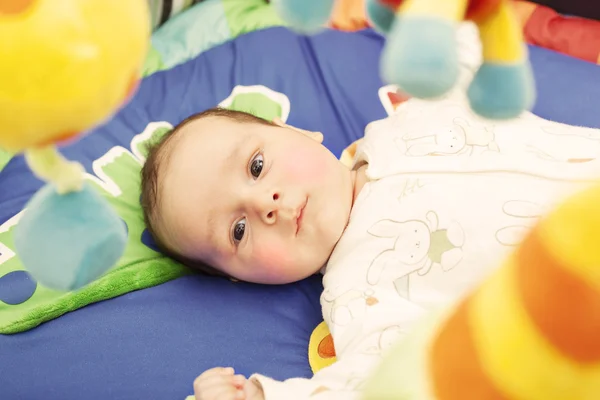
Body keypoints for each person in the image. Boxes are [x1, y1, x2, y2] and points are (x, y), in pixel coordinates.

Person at [140, 25, 600, 400]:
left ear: (297, 131)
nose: (266, 205)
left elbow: (462, 48)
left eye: (257, 166)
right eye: (237, 231)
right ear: (241, 280)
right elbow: (371, 383)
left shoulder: (410, 117)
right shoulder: (359, 294)